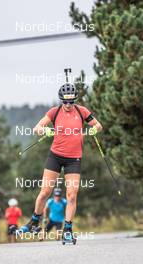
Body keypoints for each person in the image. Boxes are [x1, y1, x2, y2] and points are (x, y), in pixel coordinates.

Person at [19, 82, 102, 241]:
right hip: (55, 156)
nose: (69, 105)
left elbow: (99, 125)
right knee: (45, 192)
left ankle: (68, 229)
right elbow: (37, 128)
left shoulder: (82, 111)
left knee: (72, 195)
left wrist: (94, 129)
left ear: (75, 100)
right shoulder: (54, 112)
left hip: (74, 159)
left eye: (71, 101)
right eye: (65, 101)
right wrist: (47, 130)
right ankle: (34, 221)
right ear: (61, 100)